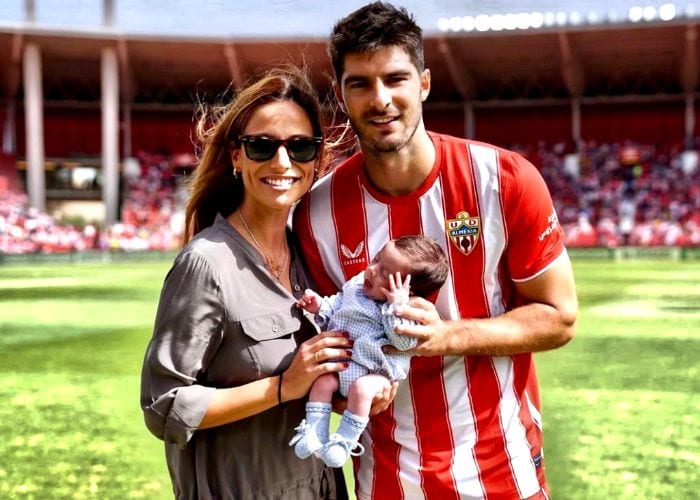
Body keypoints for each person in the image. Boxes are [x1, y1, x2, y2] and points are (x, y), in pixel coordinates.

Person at [293, 2, 579, 499]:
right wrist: (347, 391)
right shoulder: (316, 212)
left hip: (502, 468)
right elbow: (333, 338)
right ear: (341, 94)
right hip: (385, 478)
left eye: (395, 78)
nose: (380, 99)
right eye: (360, 83)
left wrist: (446, 335)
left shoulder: (505, 180)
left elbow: (559, 318)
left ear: (423, 83)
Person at [140, 67, 353, 500]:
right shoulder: (207, 263)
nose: (282, 162)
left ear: (318, 159)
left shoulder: (312, 255)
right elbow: (164, 408)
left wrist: (345, 396)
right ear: (237, 156)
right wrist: (282, 387)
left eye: (300, 147)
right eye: (261, 146)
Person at [290, 235, 448, 468]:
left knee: (362, 390)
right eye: (376, 260)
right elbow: (338, 306)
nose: (372, 270)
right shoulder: (356, 287)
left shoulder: (405, 312)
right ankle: (314, 432)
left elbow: (403, 343)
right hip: (342, 363)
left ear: (407, 290)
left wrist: (396, 306)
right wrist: (320, 306)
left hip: (375, 374)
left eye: (385, 273)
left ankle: (343, 442)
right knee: (322, 382)